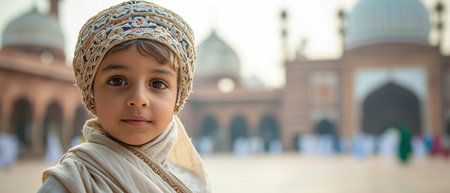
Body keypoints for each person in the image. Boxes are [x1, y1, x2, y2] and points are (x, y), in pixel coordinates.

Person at [38, 1, 211, 192]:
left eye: (157, 84)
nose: (138, 99)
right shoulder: (74, 181)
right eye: (117, 81)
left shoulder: (190, 177)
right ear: (91, 95)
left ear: (178, 97)